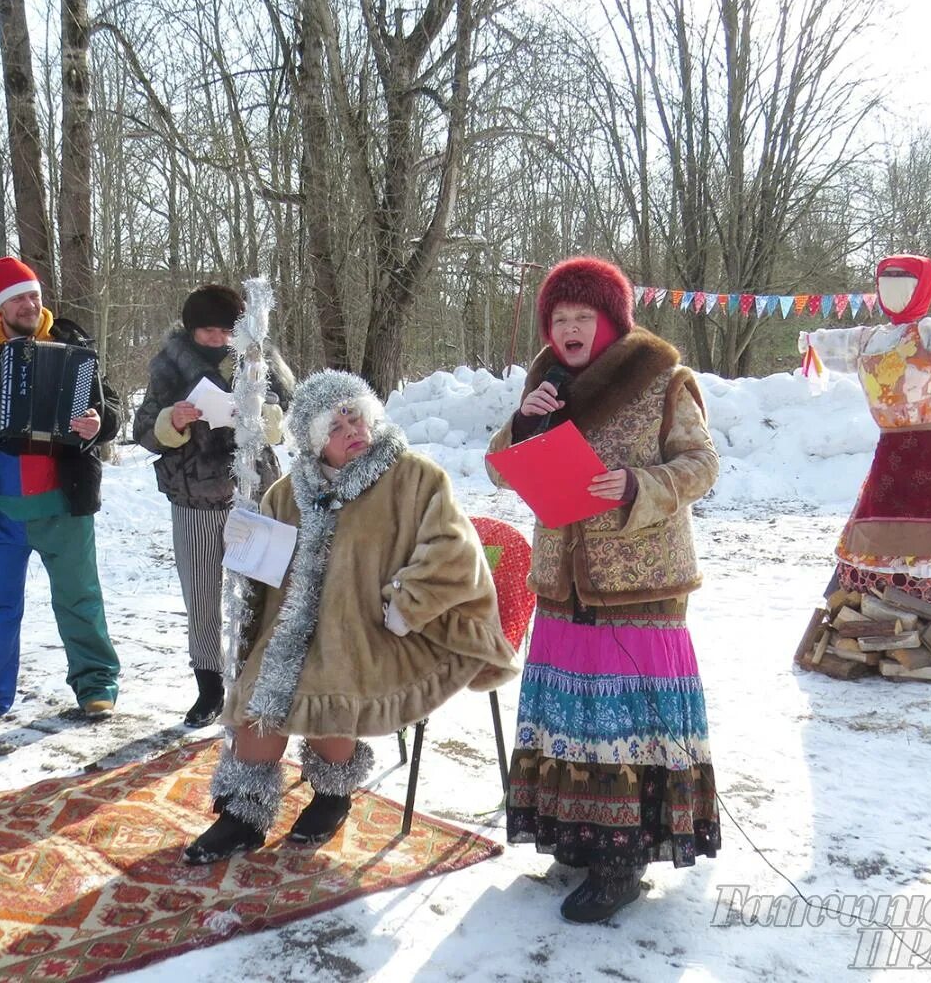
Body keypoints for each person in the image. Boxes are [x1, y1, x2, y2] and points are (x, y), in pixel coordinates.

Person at [184, 370, 519, 863]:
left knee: (327, 678)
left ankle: (332, 793)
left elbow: (454, 550)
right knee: (260, 689)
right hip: (294, 627)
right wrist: (248, 546)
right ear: (316, 444)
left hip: (387, 626)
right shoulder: (286, 492)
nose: (353, 432)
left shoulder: (416, 477)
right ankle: (244, 812)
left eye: (356, 418)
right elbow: (266, 577)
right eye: (336, 428)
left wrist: (408, 601)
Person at [485, 256, 721, 924]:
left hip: (637, 582)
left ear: (611, 320)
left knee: (628, 727)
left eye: (581, 317)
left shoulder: (664, 380)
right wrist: (525, 422)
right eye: (558, 318)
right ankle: (581, 837)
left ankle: (625, 860)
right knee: (573, 723)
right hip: (563, 579)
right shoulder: (546, 383)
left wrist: (638, 486)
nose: (568, 328)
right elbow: (502, 471)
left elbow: (701, 464)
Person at [797, 254, 931, 669]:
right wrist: (812, 340)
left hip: (929, 452)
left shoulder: (928, 333)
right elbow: (828, 343)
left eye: (904, 283)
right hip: (889, 452)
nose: (891, 290)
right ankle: (871, 628)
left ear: (926, 289)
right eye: (884, 281)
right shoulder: (866, 339)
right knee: (875, 533)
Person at [0, 256, 121, 730]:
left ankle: (96, 686)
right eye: (18, 299)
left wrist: (100, 422)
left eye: (34, 295)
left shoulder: (71, 343)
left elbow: (109, 404)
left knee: (80, 597)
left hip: (65, 501)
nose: (30, 305)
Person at [133, 285, 293, 727]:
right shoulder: (168, 365)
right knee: (202, 598)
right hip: (193, 498)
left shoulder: (258, 359)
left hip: (253, 493)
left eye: (227, 330)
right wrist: (173, 421)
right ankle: (208, 689)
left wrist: (266, 418)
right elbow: (143, 429)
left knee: (262, 593)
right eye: (209, 331)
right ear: (191, 329)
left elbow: (291, 415)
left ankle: (258, 682)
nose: (219, 339)